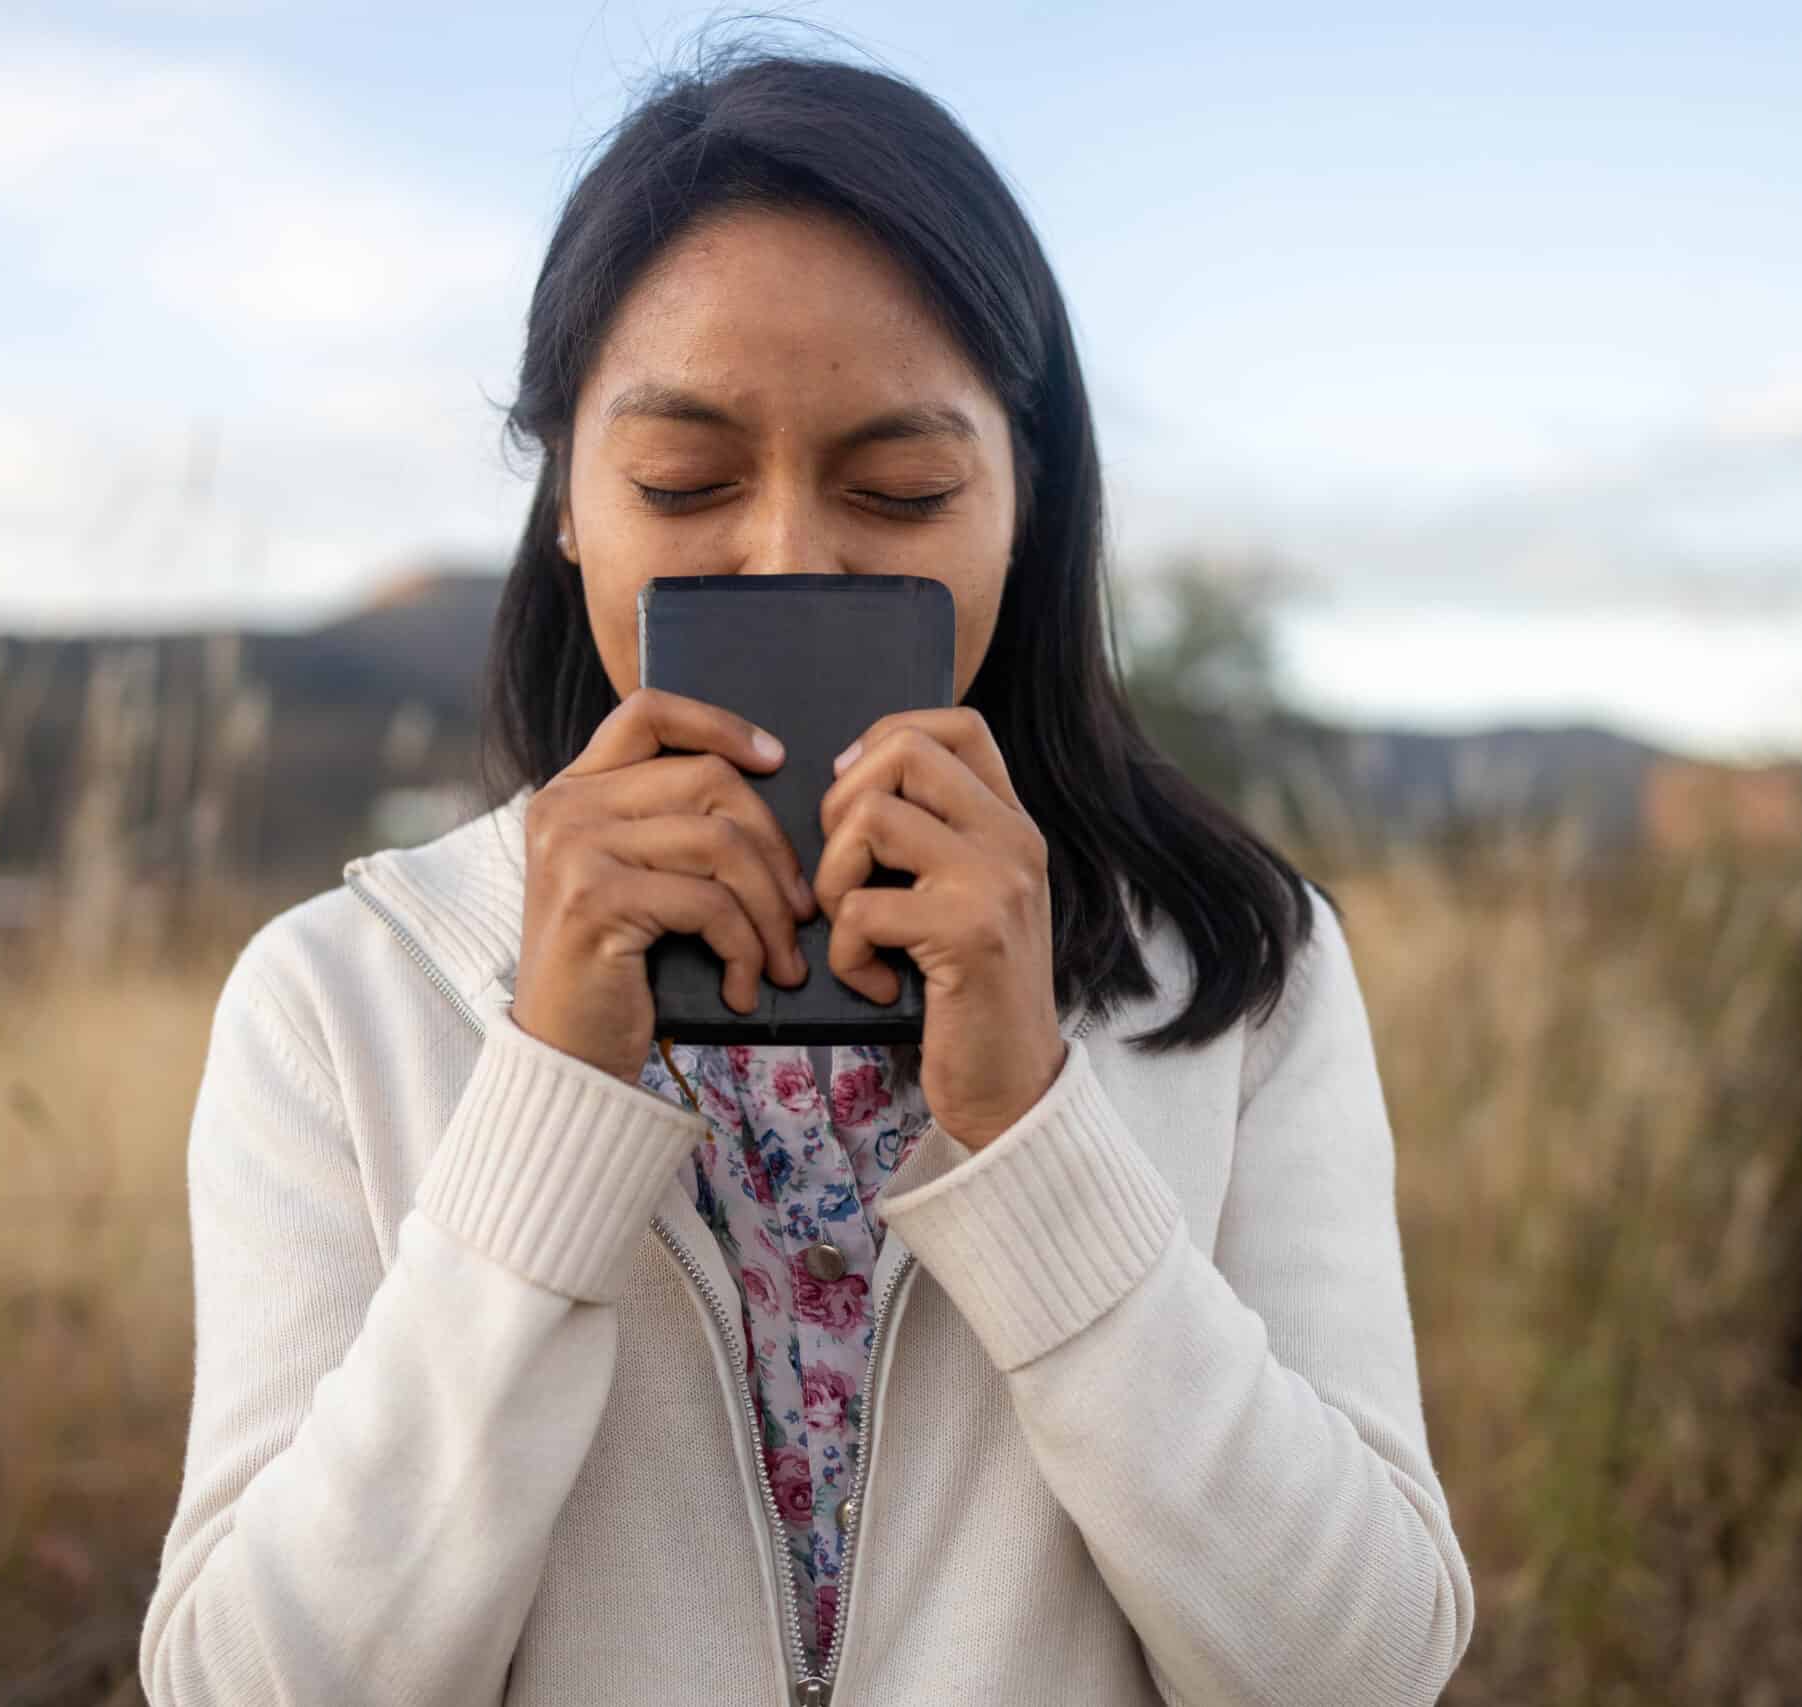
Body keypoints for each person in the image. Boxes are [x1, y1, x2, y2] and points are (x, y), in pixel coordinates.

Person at [137, 42, 1471, 1707]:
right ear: (565, 502)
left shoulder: (1231, 975)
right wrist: (543, 1099)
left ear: (1024, 502)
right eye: (683, 485)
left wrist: (1039, 1134)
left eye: (901, 490)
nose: (789, 560)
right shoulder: (342, 1001)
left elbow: (1361, 1669)